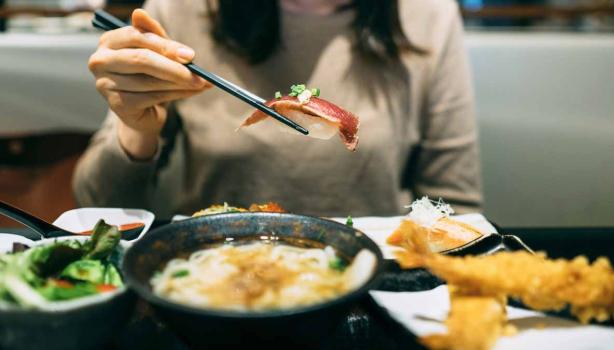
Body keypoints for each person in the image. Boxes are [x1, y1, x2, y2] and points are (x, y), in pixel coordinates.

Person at [74, 0, 482, 218]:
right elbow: (97, 208)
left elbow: (455, 210)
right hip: (214, 276)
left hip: (368, 283)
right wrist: (136, 130)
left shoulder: (426, 13)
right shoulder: (182, 9)